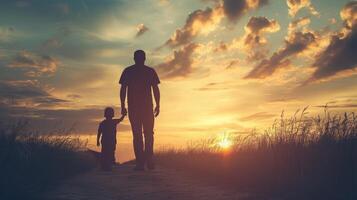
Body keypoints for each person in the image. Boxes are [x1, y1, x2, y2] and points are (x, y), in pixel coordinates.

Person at [119, 50, 160, 171]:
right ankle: (146, 162)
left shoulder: (129, 71)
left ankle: (142, 163)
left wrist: (122, 105)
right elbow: (155, 89)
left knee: (140, 135)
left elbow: (123, 90)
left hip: (138, 108)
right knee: (147, 134)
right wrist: (158, 104)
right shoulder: (148, 71)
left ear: (134, 58)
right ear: (144, 58)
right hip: (143, 108)